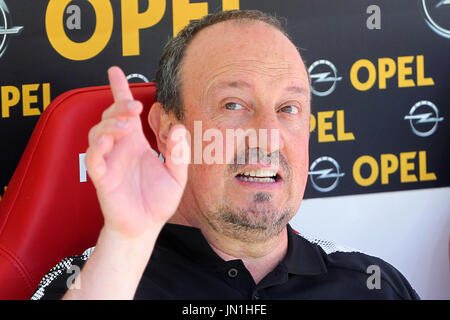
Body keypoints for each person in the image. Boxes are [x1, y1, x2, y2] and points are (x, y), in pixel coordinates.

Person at [31, 9, 419, 300]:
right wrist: (127, 241)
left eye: (288, 109)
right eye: (234, 105)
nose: (268, 137)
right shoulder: (99, 281)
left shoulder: (374, 285)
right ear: (167, 129)